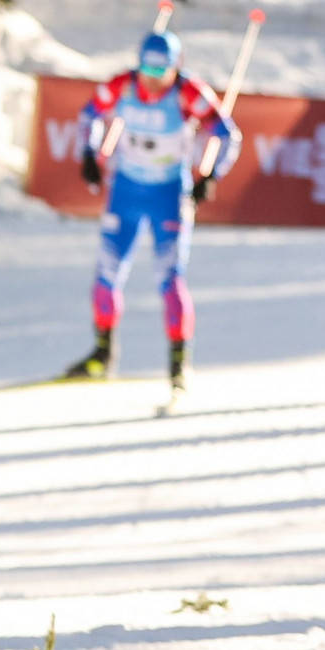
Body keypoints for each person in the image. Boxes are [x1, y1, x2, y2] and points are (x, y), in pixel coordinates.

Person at [64, 29, 241, 391]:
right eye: (147, 70)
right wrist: (88, 153)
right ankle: (102, 355)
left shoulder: (188, 93)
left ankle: (179, 365)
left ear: (177, 67)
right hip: (126, 191)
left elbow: (226, 134)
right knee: (106, 274)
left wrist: (209, 174)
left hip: (168, 195)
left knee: (171, 278)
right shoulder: (122, 86)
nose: (153, 81)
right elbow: (88, 116)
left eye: (162, 73)